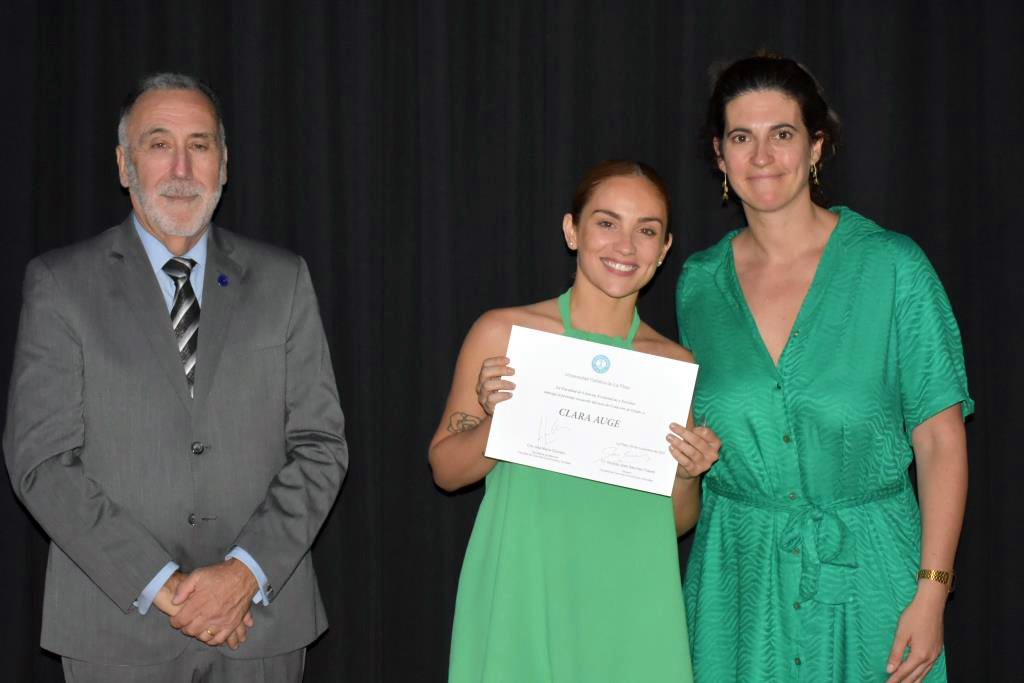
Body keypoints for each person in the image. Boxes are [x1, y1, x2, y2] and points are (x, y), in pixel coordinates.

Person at [3, 73, 348, 682]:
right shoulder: (61, 285)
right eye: (159, 144)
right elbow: (41, 461)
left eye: (202, 144)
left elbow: (322, 447)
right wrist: (166, 588)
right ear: (123, 163)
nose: (182, 167)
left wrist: (244, 574)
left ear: (225, 162)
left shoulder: (284, 280)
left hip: (260, 625)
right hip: (118, 626)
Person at [675, 54, 971, 683]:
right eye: (741, 137)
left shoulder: (895, 269)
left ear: (816, 147)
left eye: (781, 134)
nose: (762, 156)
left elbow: (941, 441)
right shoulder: (698, 285)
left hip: (874, 578)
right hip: (738, 585)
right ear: (720, 157)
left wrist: (933, 591)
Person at [429, 160, 721, 682]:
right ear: (573, 230)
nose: (626, 246)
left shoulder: (674, 366)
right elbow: (446, 472)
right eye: (607, 223)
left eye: (646, 230)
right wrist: (502, 424)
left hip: (631, 603)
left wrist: (687, 472)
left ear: (665, 248)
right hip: (525, 590)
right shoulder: (504, 334)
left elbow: (675, 521)